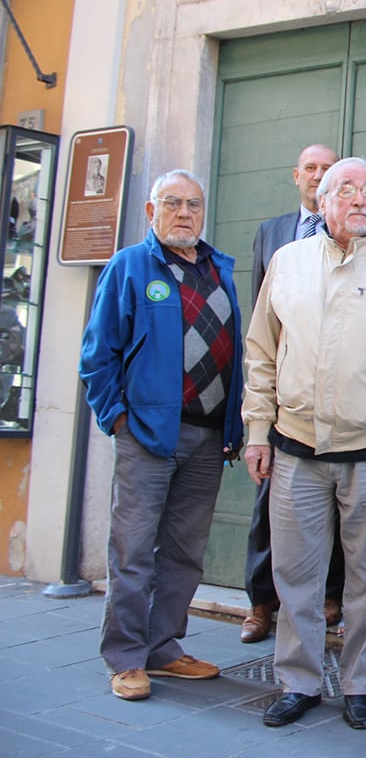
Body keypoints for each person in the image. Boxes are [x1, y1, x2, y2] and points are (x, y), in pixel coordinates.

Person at [242, 157, 366, 731]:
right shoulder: (288, 262)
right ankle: (297, 682)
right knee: (296, 576)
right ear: (321, 204)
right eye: (346, 189)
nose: (362, 198)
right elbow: (261, 353)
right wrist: (255, 430)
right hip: (295, 448)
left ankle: (361, 684)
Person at [79, 170, 244, 701]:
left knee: (185, 552)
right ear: (152, 213)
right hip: (147, 438)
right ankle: (126, 658)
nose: (184, 213)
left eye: (193, 204)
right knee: (132, 551)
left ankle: (165, 649)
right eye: (171, 203)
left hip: (206, 438)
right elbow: (97, 355)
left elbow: (235, 352)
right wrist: (117, 418)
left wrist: (234, 424)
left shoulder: (220, 270)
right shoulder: (132, 266)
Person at [241, 142, 346, 643]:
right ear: (297, 175)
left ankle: (330, 595)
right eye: (311, 168)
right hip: (284, 402)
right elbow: (263, 324)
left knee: (336, 505)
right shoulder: (271, 235)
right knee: (268, 509)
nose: (318, 175)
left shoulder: (352, 233)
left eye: (328, 169)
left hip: (339, 407)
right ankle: (261, 603)